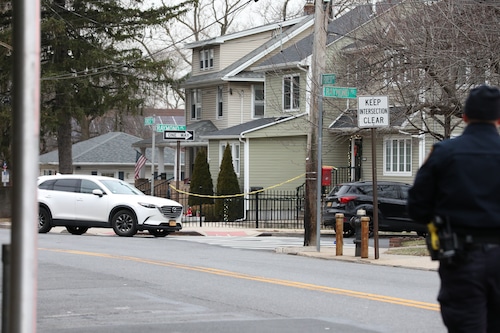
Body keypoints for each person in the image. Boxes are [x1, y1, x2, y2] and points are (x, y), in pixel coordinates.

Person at [408, 84, 500, 333]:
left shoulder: (444, 153)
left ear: (465, 117)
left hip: (462, 259)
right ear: (499, 119)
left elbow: (417, 207)